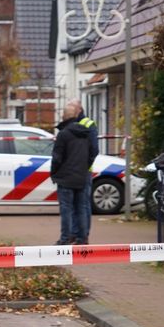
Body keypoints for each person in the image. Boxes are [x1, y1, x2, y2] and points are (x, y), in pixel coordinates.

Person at [52, 101, 98, 245]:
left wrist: (54, 173)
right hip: (82, 175)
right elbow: (93, 151)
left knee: (66, 209)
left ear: (64, 116)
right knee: (82, 207)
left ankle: (65, 238)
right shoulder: (85, 133)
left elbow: (57, 157)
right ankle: (82, 238)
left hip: (66, 178)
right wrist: (85, 166)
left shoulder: (63, 134)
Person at [66, 98, 99, 243]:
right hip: (72, 171)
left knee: (83, 204)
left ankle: (82, 235)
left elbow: (94, 149)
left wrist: (84, 165)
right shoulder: (69, 124)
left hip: (83, 171)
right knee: (74, 204)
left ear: (78, 109)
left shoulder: (88, 124)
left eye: (71, 108)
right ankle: (74, 233)